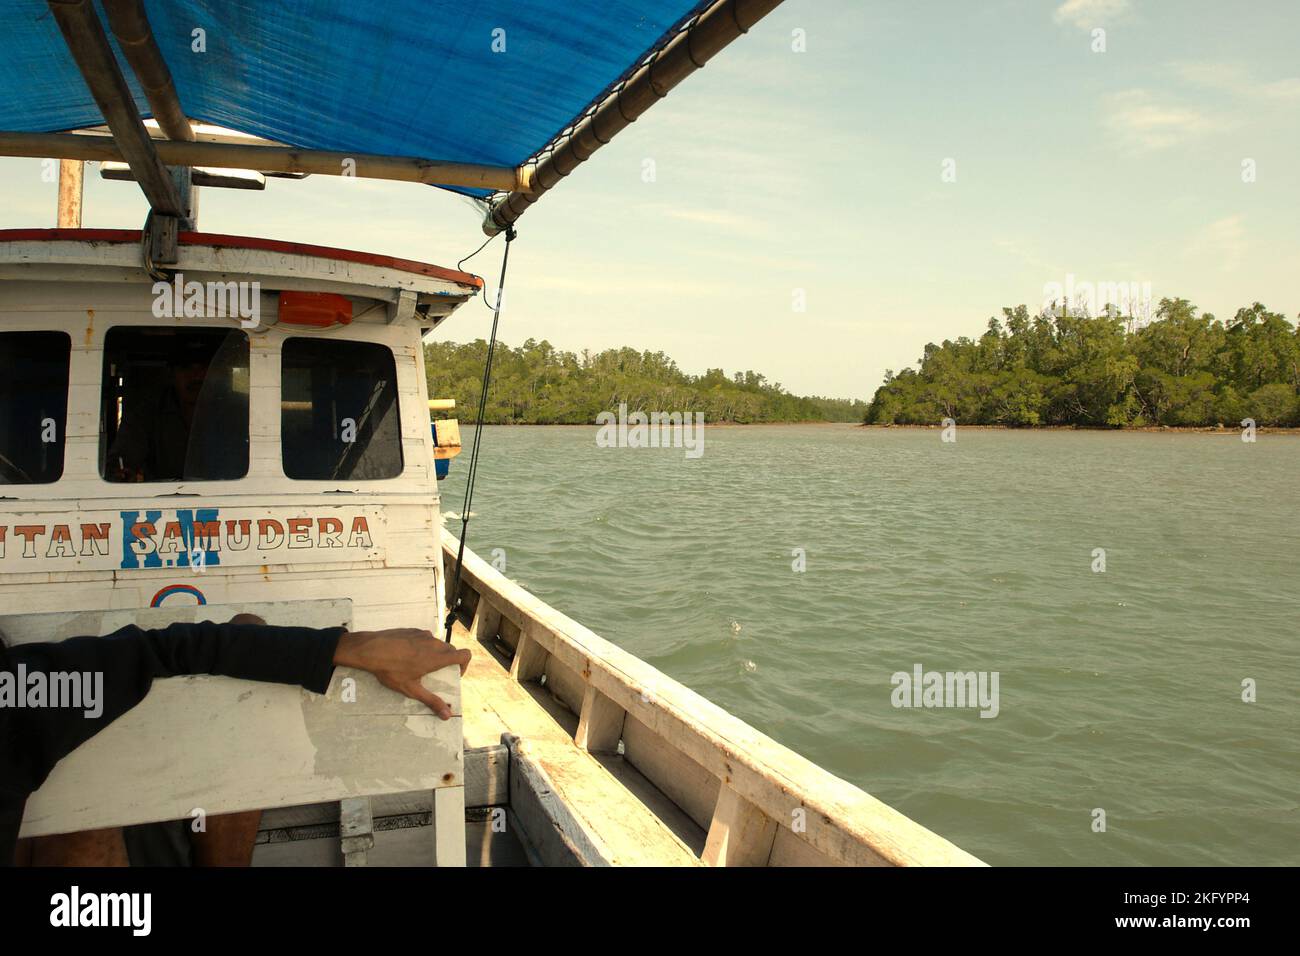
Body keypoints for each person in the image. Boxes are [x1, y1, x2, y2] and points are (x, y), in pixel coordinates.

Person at [1, 615, 470, 866]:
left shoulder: (21, 702)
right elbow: (168, 649)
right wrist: (339, 647)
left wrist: (341, 647)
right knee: (79, 815)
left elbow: (168, 651)